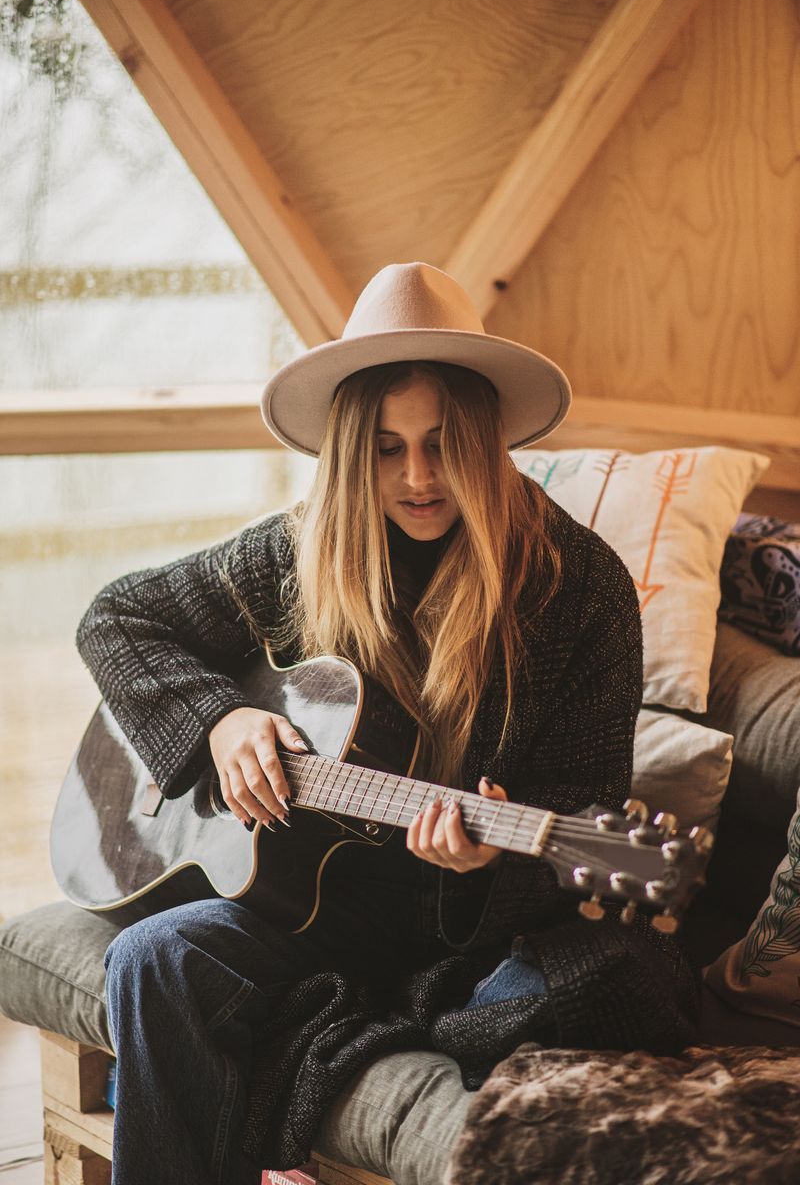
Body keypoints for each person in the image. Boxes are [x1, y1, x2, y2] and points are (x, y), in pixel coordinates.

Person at [75, 262, 699, 1185]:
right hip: (310, 912)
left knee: (626, 973)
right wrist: (220, 721)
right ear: (348, 450)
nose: (417, 477)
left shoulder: (580, 587)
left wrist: (486, 867)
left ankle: (401, 1020)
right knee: (153, 957)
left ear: (487, 440)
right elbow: (117, 619)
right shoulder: (295, 552)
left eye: (444, 444)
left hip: (470, 937)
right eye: (386, 448)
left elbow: (582, 802)